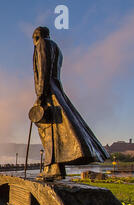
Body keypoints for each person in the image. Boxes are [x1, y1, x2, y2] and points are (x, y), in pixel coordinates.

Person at [30, 26, 109, 180]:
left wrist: (40, 95)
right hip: (56, 89)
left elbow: (44, 71)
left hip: (48, 92)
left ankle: (53, 168)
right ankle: (54, 167)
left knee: (47, 128)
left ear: (36, 36)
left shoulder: (42, 45)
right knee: (57, 129)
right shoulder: (56, 47)